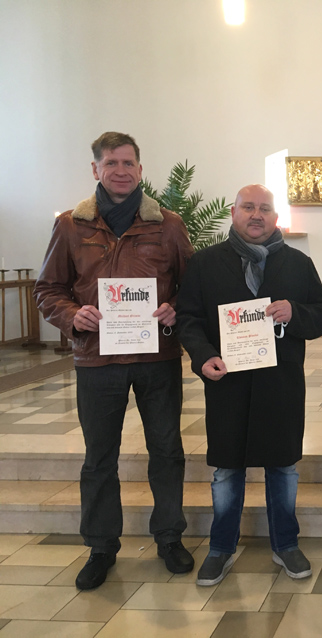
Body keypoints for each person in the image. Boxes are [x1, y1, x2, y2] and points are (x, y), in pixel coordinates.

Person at [34, 132, 195, 590]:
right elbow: (48, 290)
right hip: (96, 359)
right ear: (96, 169)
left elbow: (193, 287)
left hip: (157, 357)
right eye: (111, 163)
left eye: (128, 163)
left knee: (167, 450)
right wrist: (73, 316)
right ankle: (101, 546)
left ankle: (169, 537)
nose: (120, 171)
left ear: (140, 170)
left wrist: (175, 308)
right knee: (99, 457)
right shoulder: (71, 226)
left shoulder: (168, 225)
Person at [177, 184, 322, 586]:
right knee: (226, 472)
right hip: (227, 385)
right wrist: (202, 356)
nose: (256, 215)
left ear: (275, 218)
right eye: (248, 207)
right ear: (234, 213)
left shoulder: (297, 263)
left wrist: (294, 312)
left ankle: (286, 544)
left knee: (283, 467)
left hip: (280, 385)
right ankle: (220, 548)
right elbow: (189, 318)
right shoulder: (205, 263)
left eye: (264, 208)